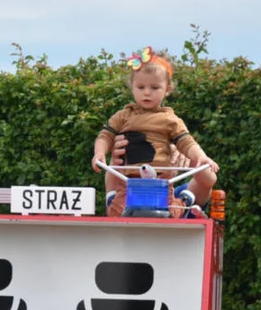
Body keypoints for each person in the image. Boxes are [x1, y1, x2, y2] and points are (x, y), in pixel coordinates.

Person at [92, 46, 220, 217]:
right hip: (129, 182)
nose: (147, 92)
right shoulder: (124, 115)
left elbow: (186, 141)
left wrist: (200, 157)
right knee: (117, 212)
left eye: (154, 88)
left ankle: (185, 201)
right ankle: (185, 199)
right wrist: (99, 153)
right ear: (132, 87)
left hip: (160, 182)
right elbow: (105, 135)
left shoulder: (169, 119)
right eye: (141, 87)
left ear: (167, 89)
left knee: (169, 212)